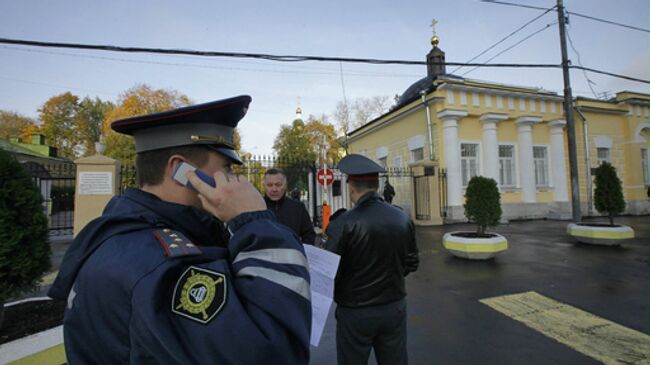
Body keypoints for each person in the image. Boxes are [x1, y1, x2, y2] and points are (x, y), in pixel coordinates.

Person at [48, 96, 311, 364]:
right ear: (180, 171)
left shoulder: (130, 233)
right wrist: (255, 221)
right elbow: (274, 352)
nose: (234, 180)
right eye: (225, 169)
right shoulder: (162, 264)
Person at [323, 154, 419, 365]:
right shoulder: (402, 217)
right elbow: (412, 262)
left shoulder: (344, 222)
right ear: (376, 184)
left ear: (351, 186)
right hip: (394, 307)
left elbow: (329, 269)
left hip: (356, 312)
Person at [263, 168, 316, 244]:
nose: (274, 189)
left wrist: (300, 251)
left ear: (285, 186)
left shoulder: (298, 208)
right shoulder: (256, 208)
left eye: (278, 185)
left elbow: (309, 235)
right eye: (270, 185)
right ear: (264, 186)